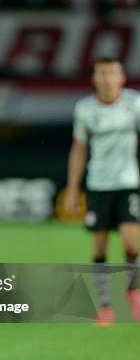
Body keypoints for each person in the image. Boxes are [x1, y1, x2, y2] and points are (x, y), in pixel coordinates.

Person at [65, 57, 140, 325]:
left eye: (112, 74)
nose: (108, 79)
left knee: (132, 242)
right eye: (102, 74)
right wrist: (73, 189)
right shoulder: (85, 108)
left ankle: (132, 289)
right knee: (100, 245)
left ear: (121, 78)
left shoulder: (134, 104)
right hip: (98, 185)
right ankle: (106, 306)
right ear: (95, 79)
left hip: (129, 183)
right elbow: (79, 148)